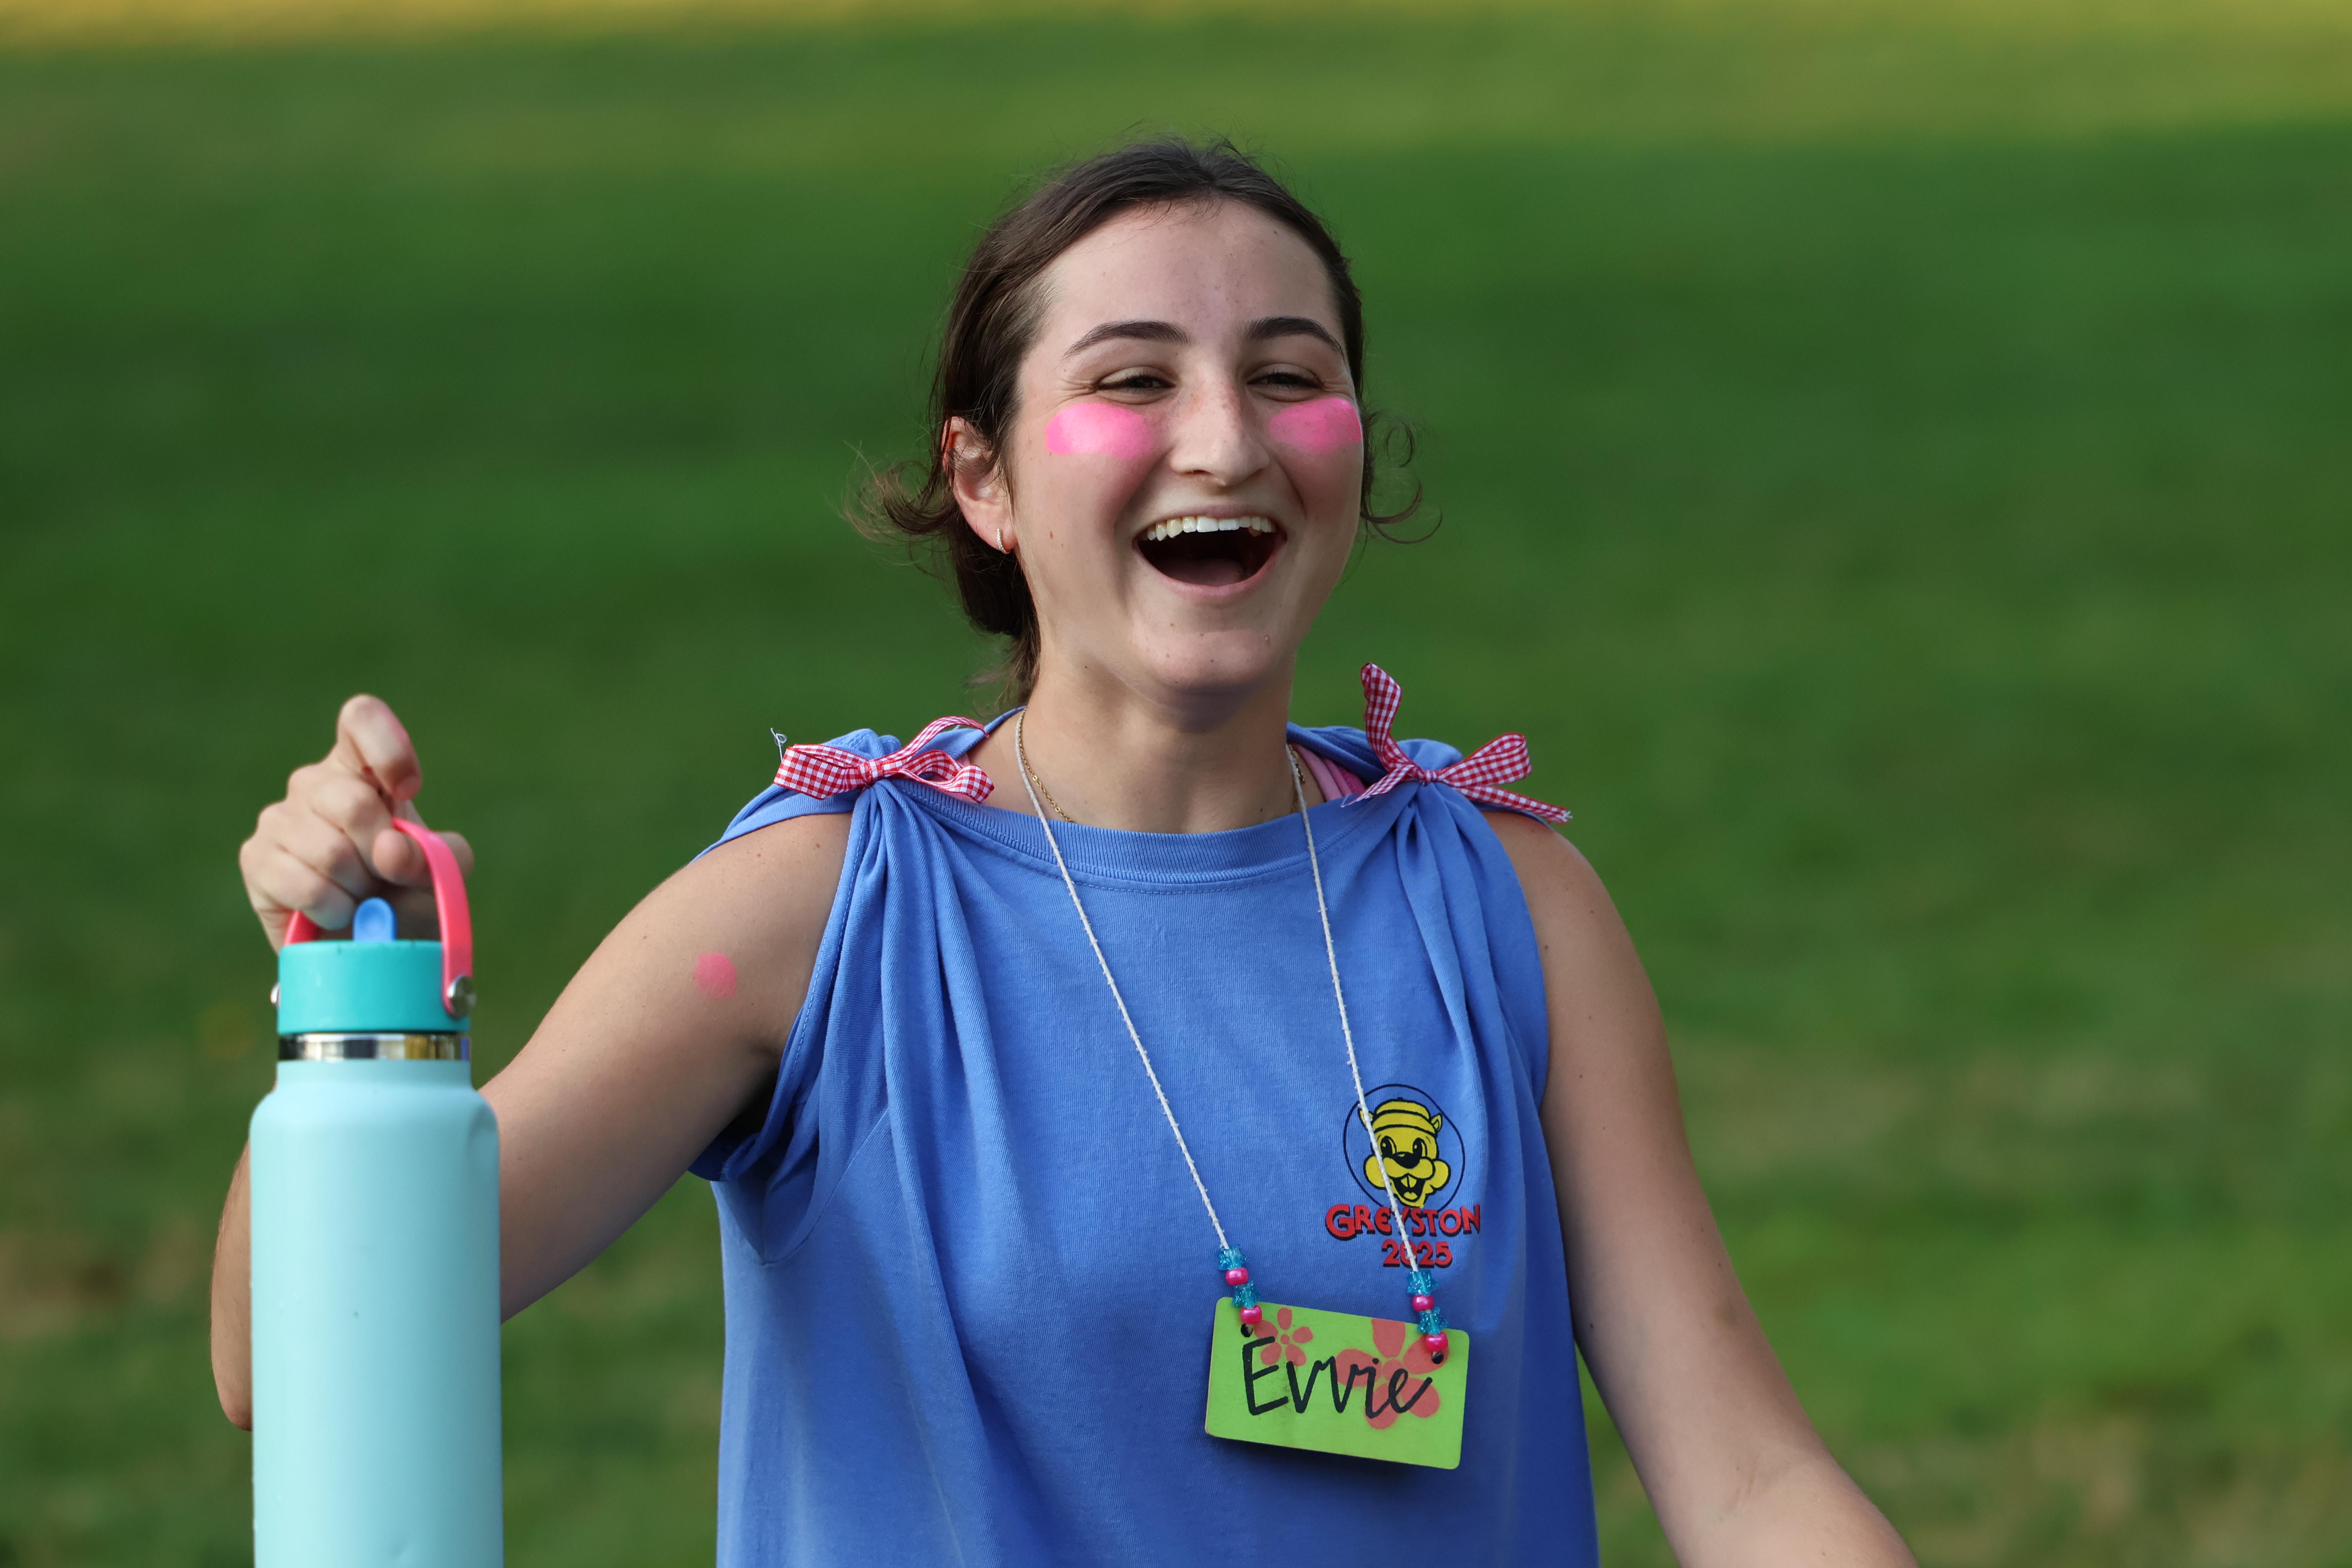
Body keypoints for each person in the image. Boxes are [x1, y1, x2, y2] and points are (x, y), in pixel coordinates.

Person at [210, 138, 1913, 1566]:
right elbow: (289, 1354)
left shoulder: (1505, 900)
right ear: (986, 480)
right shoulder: (816, 914)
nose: (1226, 440)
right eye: (1131, 379)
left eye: (1289, 375)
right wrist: (357, 1003)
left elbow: (1749, 1480)